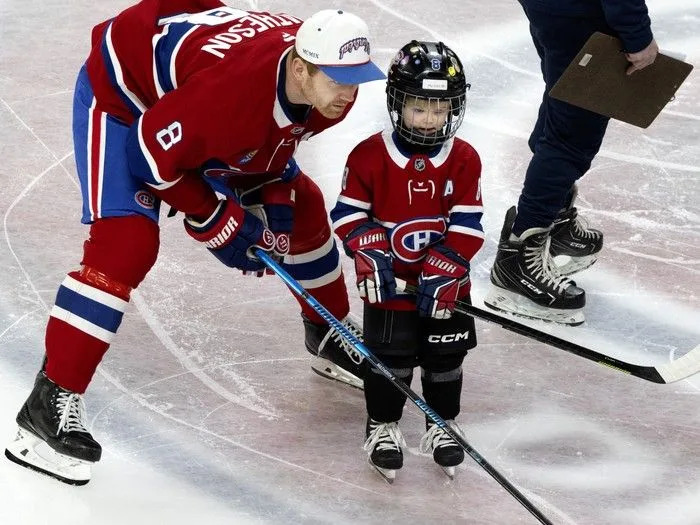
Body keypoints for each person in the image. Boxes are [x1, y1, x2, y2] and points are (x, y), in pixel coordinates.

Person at [4, 0, 386, 485]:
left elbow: (264, 143)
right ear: (300, 67)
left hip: (189, 96)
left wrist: (275, 203)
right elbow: (149, 155)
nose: (347, 94)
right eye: (336, 80)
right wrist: (217, 217)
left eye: (355, 79)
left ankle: (327, 329)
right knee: (127, 242)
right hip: (127, 100)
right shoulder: (232, 95)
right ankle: (47, 404)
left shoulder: (323, 90)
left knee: (304, 205)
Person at [331, 41, 483, 481]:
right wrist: (370, 251)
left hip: (446, 289)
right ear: (398, 103)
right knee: (390, 359)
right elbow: (348, 213)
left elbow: (469, 221)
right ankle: (382, 426)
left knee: (445, 358)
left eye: (440, 109)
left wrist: (450, 262)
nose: (430, 119)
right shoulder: (368, 155)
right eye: (420, 108)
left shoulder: (464, 158)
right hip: (390, 287)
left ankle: (442, 422)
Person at [485, 0, 659, 325]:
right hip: (581, 15)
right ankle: (518, 265)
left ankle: (556, 221)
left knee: (561, 102)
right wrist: (636, 33)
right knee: (571, 137)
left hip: (553, 11)